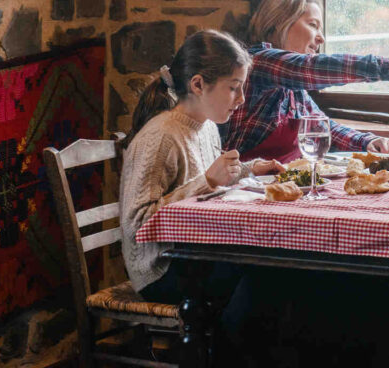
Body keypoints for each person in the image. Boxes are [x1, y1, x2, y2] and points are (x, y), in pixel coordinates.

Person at [119, 29, 283, 303]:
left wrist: (250, 169)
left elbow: (205, 180)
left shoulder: (205, 126)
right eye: (233, 87)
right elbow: (136, 226)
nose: (241, 98)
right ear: (197, 85)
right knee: (261, 277)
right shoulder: (160, 138)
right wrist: (208, 181)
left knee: (277, 263)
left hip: (194, 254)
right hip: (160, 270)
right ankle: (226, 346)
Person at [221, 0, 389, 162]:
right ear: (280, 23)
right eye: (313, 25)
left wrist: (367, 141)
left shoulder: (294, 90)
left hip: (283, 189)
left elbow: (324, 126)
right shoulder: (258, 62)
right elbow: (311, 68)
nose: (321, 38)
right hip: (243, 191)